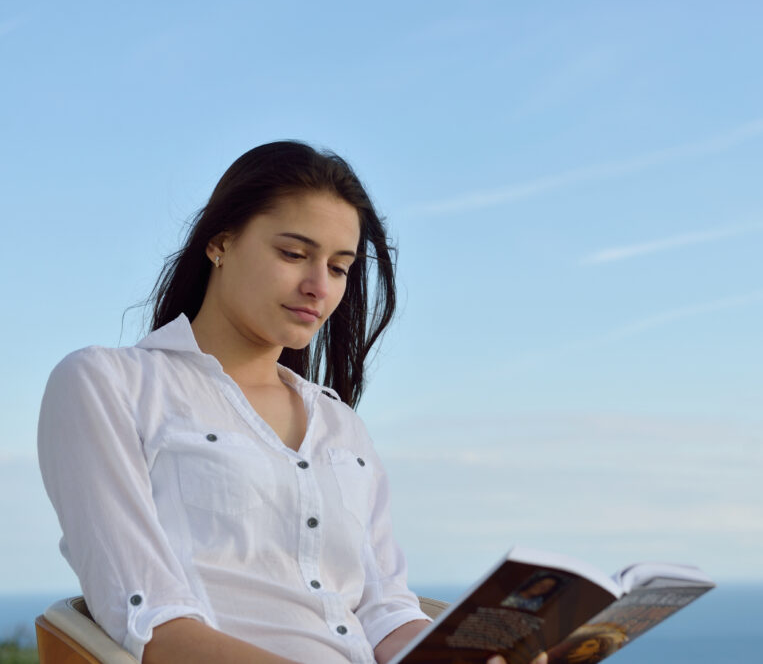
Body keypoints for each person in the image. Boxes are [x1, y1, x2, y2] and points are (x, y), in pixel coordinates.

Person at [38, 141, 543, 664]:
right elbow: (152, 626)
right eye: (293, 254)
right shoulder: (107, 384)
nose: (318, 287)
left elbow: (384, 612)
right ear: (221, 242)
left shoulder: (341, 425)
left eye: (340, 267)